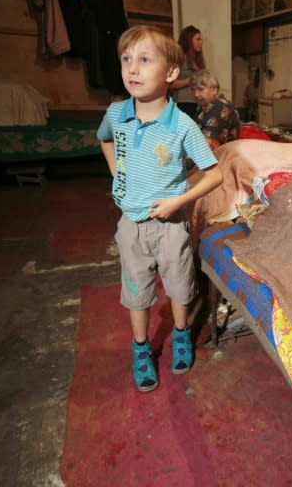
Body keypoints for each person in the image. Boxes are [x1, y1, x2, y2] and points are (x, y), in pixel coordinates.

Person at [97, 25, 223, 392]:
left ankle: (180, 334)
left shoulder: (182, 125)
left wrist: (178, 201)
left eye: (145, 60)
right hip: (131, 225)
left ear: (170, 74)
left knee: (180, 286)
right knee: (136, 291)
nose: (132, 69)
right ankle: (140, 349)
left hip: (171, 226)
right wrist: (116, 170)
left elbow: (213, 174)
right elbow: (103, 139)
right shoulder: (117, 113)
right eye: (126, 59)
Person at [190, 69, 240, 150]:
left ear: (214, 90)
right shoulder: (207, 105)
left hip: (220, 157)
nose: (196, 94)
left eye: (200, 89)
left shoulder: (218, 107)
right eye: (193, 90)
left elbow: (205, 145)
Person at [171, 25, 206, 117]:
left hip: (198, 102)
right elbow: (171, 84)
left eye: (201, 39)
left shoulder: (197, 60)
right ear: (189, 41)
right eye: (198, 39)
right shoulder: (179, 58)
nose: (201, 42)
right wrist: (191, 80)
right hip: (183, 102)